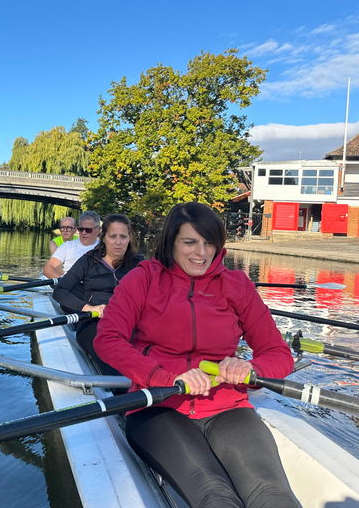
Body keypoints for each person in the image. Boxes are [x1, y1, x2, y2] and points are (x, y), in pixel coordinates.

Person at [93, 202, 299, 508]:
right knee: (215, 496)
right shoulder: (143, 279)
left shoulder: (238, 285)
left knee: (273, 495)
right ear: (171, 243)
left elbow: (279, 354)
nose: (201, 253)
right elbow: (108, 339)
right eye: (189, 242)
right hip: (159, 405)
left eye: (209, 243)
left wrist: (250, 369)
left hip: (228, 408)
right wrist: (164, 377)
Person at [52, 214, 143, 375]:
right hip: (95, 321)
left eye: (123, 236)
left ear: (129, 238)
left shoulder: (138, 263)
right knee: (112, 351)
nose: (118, 242)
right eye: (112, 236)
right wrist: (87, 307)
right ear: (104, 237)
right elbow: (60, 291)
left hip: (129, 321)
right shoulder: (88, 260)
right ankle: (122, 389)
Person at [42, 211, 100, 279]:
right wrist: (64, 283)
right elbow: (48, 269)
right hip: (70, 286)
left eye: (88, 230)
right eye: (81, 229)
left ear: (98, 230)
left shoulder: (105, 248)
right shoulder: (66, 246)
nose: (84, 233)